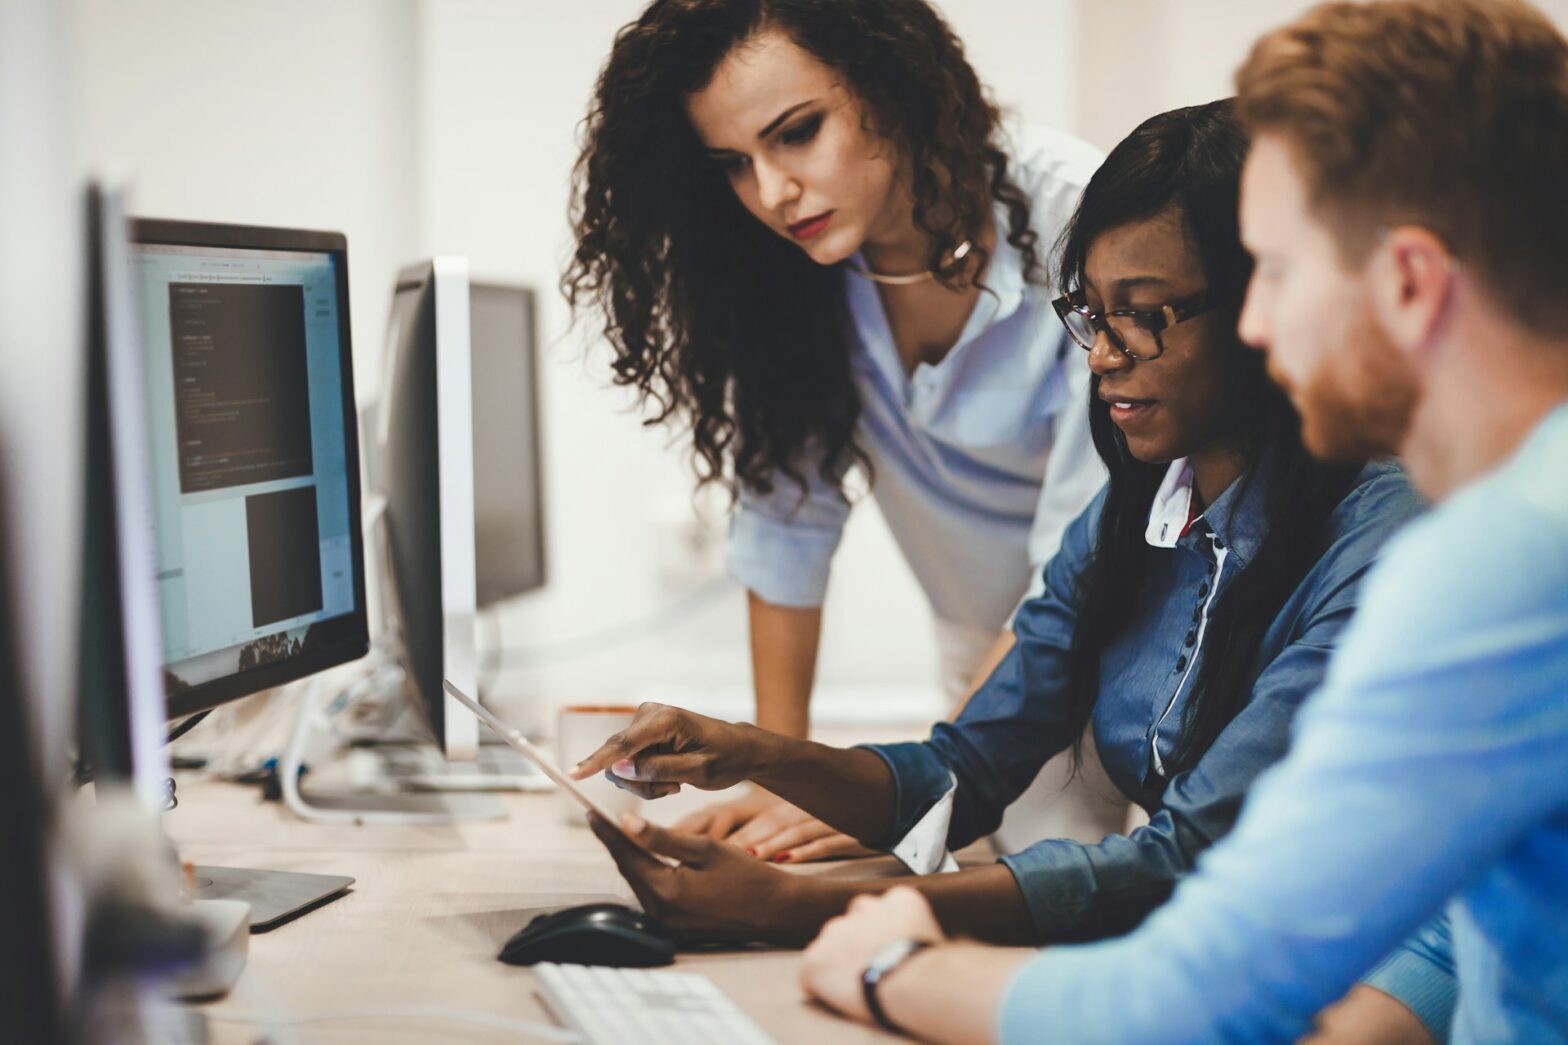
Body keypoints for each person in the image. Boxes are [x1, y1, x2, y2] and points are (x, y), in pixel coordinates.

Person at [575, 100, 1448, 1039]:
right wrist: (748, 752)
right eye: (1092, 316)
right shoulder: (1134, 512)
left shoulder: (1384, 533)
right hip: (1239, 940)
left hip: (1401, 949)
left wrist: (796, 909)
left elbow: (1185, 855)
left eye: (1145, 317)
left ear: (1265, 306)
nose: (1105, 358)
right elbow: (962, 769)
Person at [794, 1, 1568, 1042]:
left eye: (1279, 272)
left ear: (1406, 282)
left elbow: (1186, 999)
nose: (1254, 323)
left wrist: (882, 959)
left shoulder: (1496, 558)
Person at [563, 0, 1118, 862]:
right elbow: (787, 526)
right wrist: (773, 774)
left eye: (796, 132)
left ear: (888, 85)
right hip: (979, 657)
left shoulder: (1084, 220)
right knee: (893, 873)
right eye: (733, 164)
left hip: (1111, 649)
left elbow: (1076, 572)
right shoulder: (794, 270)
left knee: (1046, 896)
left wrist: (896, 786)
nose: (772, 192)